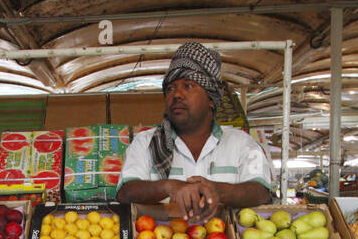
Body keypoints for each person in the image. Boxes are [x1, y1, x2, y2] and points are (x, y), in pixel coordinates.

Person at [116, 42, 274, 223]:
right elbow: (125, 192)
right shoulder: (145, 143)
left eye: (188, 86)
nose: (177, 94)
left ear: (211, 99)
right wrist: (170, 186)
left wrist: (217, 191)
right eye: (170, 88)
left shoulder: (242, 143)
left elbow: (261, 192)